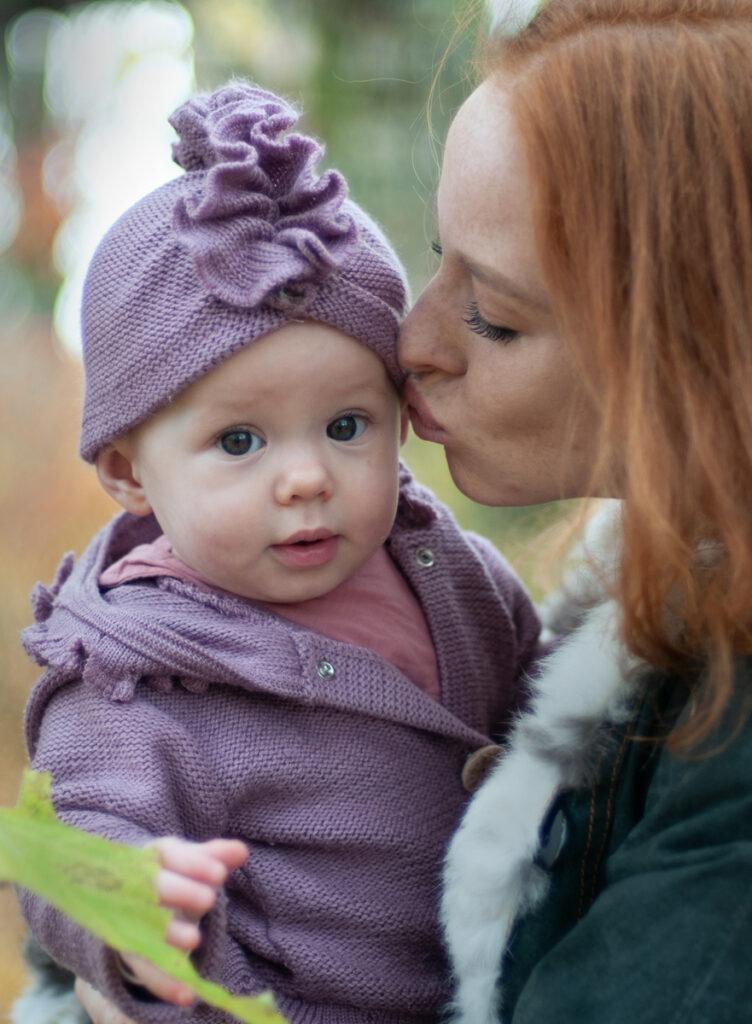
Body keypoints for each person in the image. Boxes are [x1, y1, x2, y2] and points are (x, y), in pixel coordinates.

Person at [14, 79, 543, 1024]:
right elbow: (56, 847)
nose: (307, 478)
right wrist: (128, 901)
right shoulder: (134, 671)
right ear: (132, 474)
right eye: (241, 443)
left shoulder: (449, 572)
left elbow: (553, 712)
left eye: (347, 424)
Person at [399, 0, 752, 1022]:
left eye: (495, 316)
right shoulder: (636, 615)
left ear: (701, 351)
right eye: (438, 260)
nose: (411, 340)